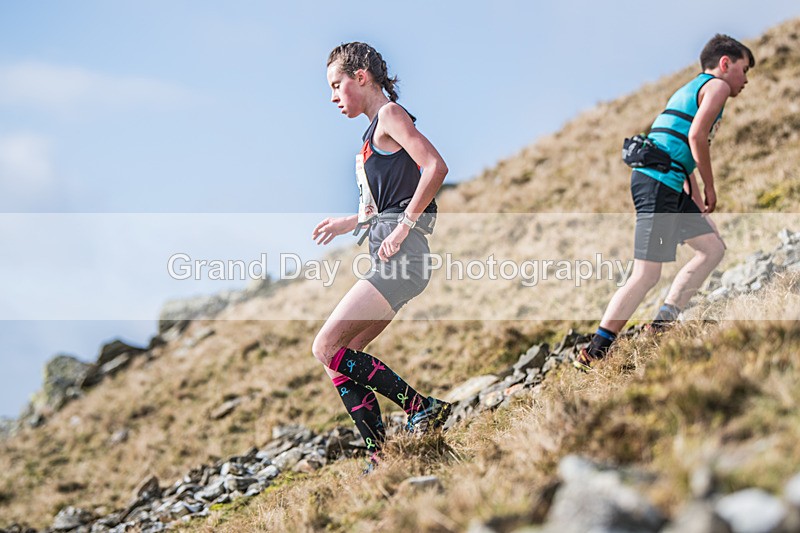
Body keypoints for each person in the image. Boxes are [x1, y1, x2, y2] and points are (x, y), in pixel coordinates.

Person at [575, 34, 756, 371]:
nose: (746, 80)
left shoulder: (692, 87)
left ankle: (661, 325)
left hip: (671, 183)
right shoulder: (715, 87)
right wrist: (710, 186)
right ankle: (595, 350)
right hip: (659, 185)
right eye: (744, 70)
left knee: (712, 248)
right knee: (646, 273)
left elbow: (676, 145)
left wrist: (697, 196)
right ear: (725, 63)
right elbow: (696, 137)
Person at [311, 42, 451, 470]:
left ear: (361, 77)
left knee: (325, 346)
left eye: (337, 85)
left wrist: (405, 224)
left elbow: (435, 167)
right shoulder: (370, 136)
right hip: (391, 250)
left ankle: (420, 407)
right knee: (345, 353)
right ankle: (380, 453)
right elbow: (384, 202)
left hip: (403, 251)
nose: (333, 96)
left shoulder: (390, 115)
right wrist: (349, 222)